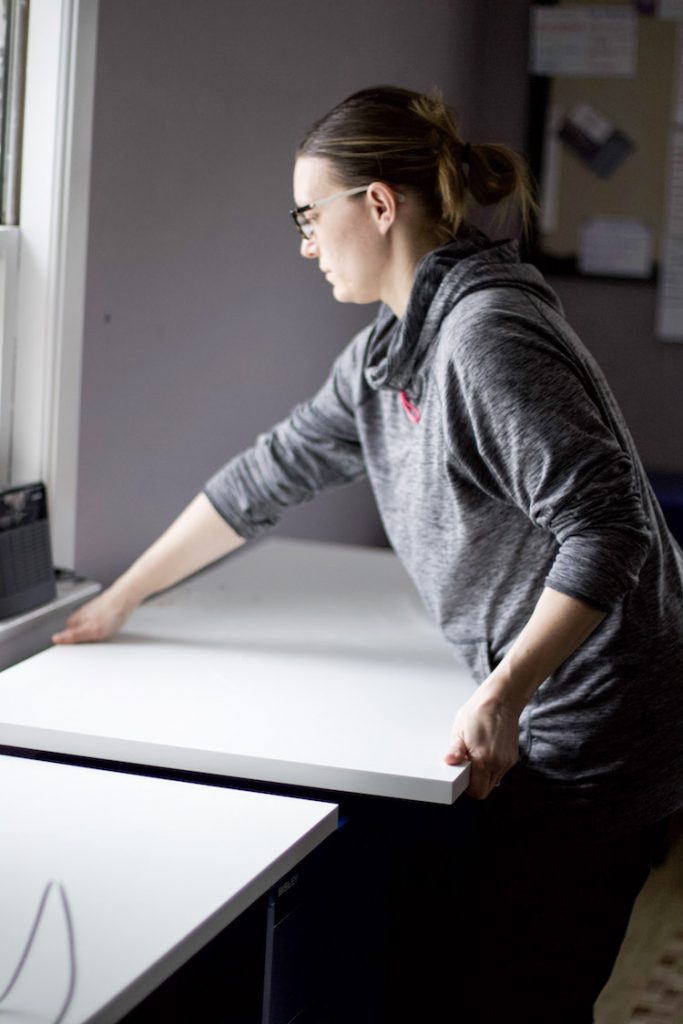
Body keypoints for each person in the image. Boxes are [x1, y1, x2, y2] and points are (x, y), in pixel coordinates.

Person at [53, 86, 683, 1022]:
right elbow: (268, 474)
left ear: (378, 204)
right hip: (538, 709)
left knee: (519, 996)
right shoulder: (391, 351)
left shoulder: (483, 337)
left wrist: (504, 690)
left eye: (311, 216)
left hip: (597, 731)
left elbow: (611, 526)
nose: (304, 243)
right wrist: (123, 600)